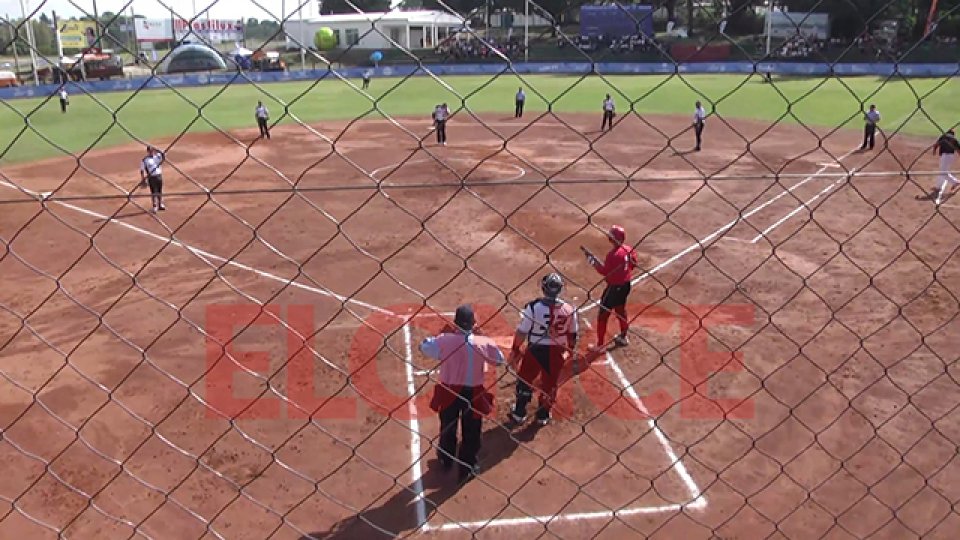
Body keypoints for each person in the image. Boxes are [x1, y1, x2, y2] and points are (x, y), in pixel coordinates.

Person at [420, 305, 505, 483]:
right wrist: (482, 337)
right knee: (472, 430)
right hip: (473, 393)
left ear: (455, 323)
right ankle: (467, 466)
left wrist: (444, 335)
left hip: (449, 391)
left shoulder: (444, 340)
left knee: (448, 427)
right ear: (473, 323)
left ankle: (446, 459)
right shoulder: (483, 343)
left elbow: (424, 347)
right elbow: (499, 360)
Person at [508, 273, 579, 427]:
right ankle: (543, 414)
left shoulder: (533, 307)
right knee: (550, 383)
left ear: (543, 288)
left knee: (525, 380)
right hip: (556, 351)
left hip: (535, 349)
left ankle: (519, 412)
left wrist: (515, 348)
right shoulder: (569, 309)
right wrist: (569, 351)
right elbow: (573, 335)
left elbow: (522, 332)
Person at [584, 225, 638, 352]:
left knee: (603, 315)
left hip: (613, 288)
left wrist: (592, 261)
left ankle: (600, 345)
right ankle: (623, 337)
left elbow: (604, 271)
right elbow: (634, 263)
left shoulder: (612, 255)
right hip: (626, 285)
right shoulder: (629, 249)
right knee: (620, 311)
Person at [929, 128, 959, 204]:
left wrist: (934, 151)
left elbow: (936, 145)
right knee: (942, 171)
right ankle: (938, 187)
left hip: (944, 156)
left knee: (943, 172)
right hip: (950, 156)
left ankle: (956, 182)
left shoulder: (943, 136)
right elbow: (959, 150)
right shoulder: (954, 139)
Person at [140, 145, 166, 213]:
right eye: (150, 151)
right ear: (147, 151)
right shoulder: (145, 160)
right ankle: (155, 206)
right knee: (153, 192)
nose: (151, 152)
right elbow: (142, 170)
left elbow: (163, 156)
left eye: (152, 151)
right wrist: (143, 179)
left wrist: (157, 149)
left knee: (159, 191)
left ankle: (160, 204)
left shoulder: (157, 156)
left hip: (159, 176)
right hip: (151, 177)